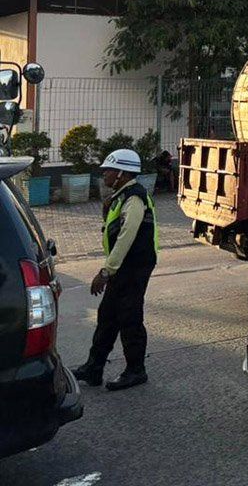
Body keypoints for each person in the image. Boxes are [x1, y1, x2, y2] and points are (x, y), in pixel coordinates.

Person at [72, 149, 158, 390]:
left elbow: (126, 237)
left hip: (134, 266)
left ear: (121, 173)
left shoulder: (135, 198)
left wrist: (105, 271)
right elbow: (111, 230)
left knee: (129, 318)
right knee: (107, 316)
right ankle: (94, 368)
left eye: (108, 170)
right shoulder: (121, 197)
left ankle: (136, 371)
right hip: (123, 266)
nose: (105, 175)